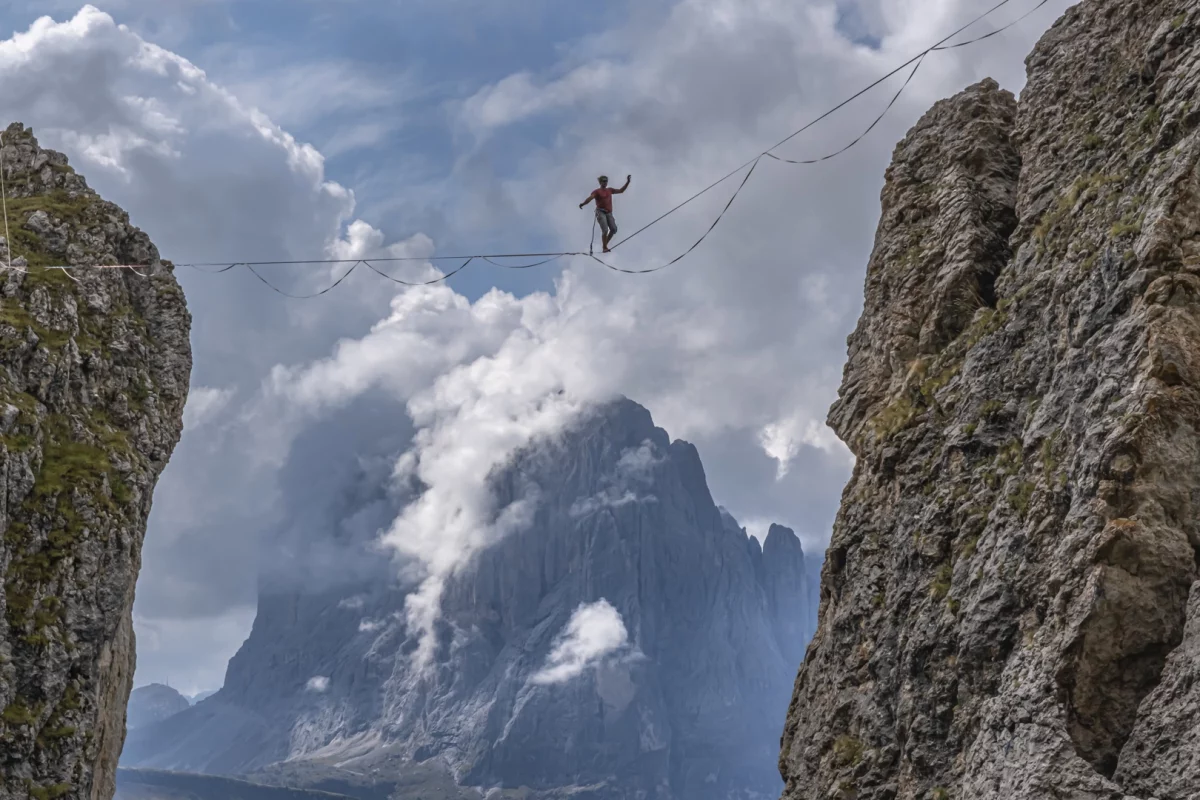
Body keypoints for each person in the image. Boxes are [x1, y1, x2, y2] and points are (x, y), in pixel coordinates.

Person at [580, 174, 630, 253]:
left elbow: (621, 191)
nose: (605, 182)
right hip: (600, 212)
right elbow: (590, 198)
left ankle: (605, 244)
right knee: (605, 230)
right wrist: (583, 204)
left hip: (609, 213)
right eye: (603, 181)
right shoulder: (597, 191)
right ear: (600, 182)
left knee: (613, 229)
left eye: (606, 181)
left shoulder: (609, 190)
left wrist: (628, 182)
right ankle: (604, 247)